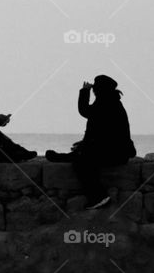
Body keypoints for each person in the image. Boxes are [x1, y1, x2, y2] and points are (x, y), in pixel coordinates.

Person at [46, 76, 136, 209]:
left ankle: (98, 197)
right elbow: (101, 132)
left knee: (82, 163)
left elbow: (85, 111)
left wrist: (84, 91)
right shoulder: (111, 101)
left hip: (116, 153)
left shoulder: (106, 102)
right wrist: (84, 143)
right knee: (82, 154)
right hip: (114, 150)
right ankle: (61, 157)